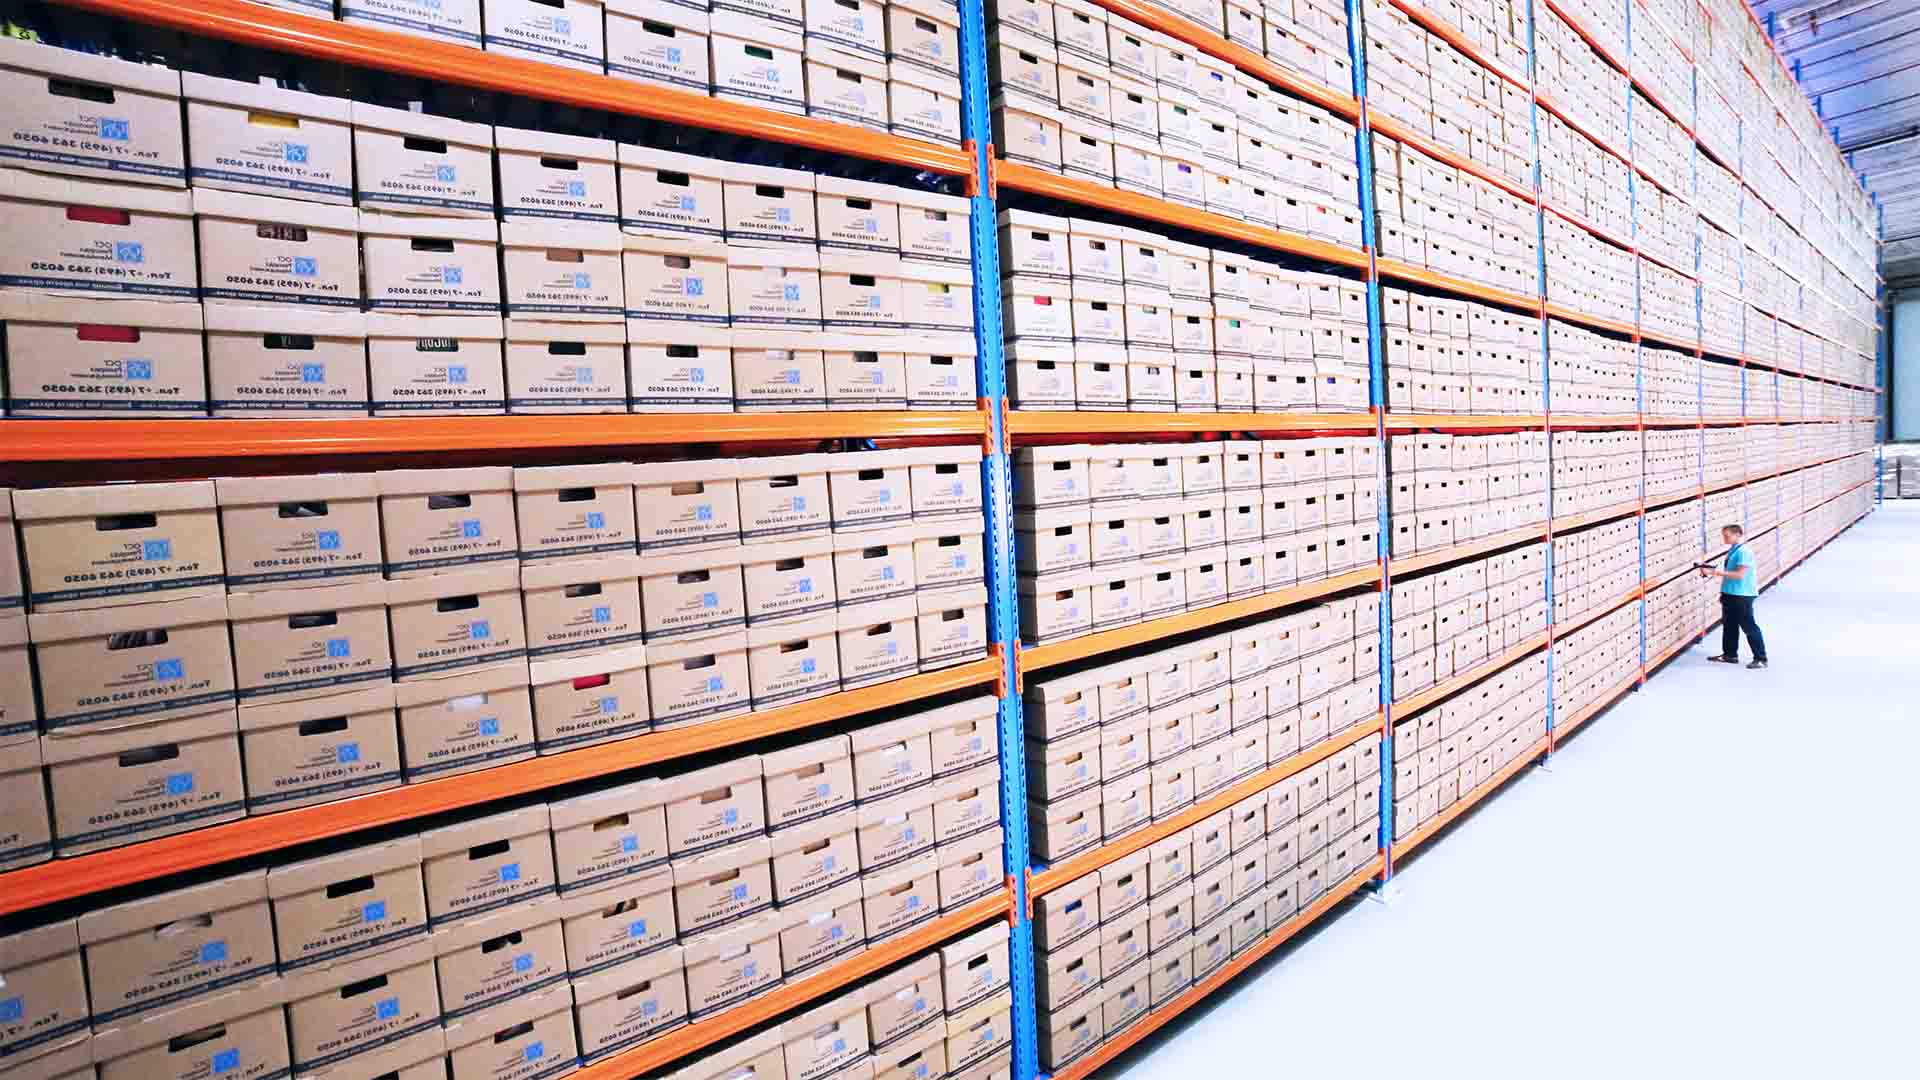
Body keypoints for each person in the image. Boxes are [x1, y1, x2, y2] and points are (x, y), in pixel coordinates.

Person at [1701, 523, 1766, 669]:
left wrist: (1714, 572)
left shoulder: (1744, 551)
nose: (1724, 538)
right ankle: (1730, 655)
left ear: (1737, 535)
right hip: (1730, 593)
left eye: (1727, 536)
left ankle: (1761, 658)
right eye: (1723, 535)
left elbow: (1740, 575)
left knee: (1749, 626)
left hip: (1742, 595)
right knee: (1729, 626)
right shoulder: (1733, 550)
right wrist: (1723, 591)